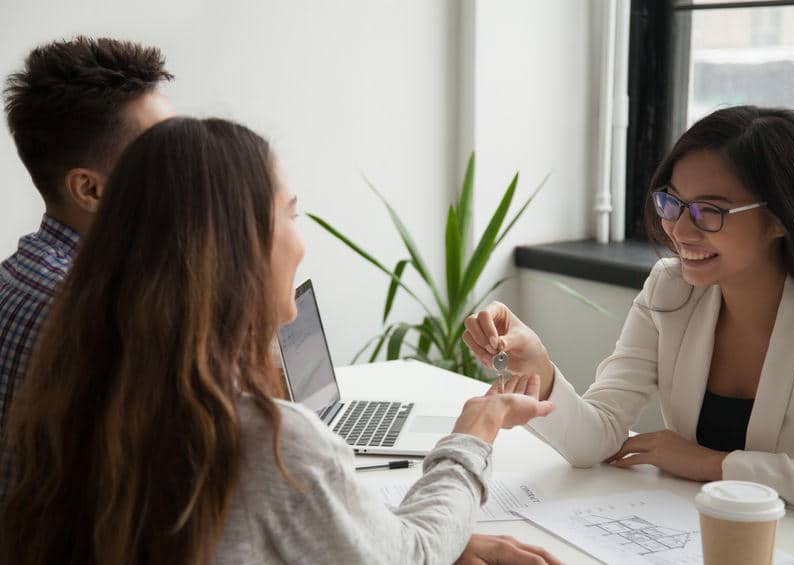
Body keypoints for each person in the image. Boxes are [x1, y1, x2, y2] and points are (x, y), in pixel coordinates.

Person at [0, 117, 561, 564]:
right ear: (232, 249)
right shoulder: (259, 441)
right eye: (291, 215)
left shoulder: (71, 390)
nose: (301, 242)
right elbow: (411, 555)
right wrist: (476, 430)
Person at [463, 106, 794, 520]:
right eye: (673, 203)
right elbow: (597, 439)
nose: (680, 231)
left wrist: (714, 464)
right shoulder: (671, 288)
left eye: (709, 212)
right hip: (688, 531)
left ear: (780, 218)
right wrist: (539, 371)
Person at [0, 36, 175, 449]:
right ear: (91, 190)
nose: (184, 172)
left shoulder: (13, 278)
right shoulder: (108, 321)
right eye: (163, 157)